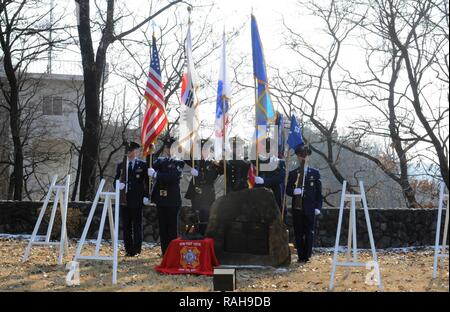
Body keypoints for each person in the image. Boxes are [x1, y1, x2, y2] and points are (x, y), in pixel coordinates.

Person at [286, 142, 323, 263]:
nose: (303, 157)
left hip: (310, 208)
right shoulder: (293, 174)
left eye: (305, 155)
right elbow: (287, 190)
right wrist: (294, 191)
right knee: (298, 232)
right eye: (301, 155)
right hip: (297, 208)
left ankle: (307, 255)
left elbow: (319, 192)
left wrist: (318, 207)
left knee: (309, 232)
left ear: (309, 157)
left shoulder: (314, 173)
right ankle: (301, 256)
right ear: (298, 157)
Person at [149, 137, 185, 255]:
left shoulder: (179, 162)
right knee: (163, 228)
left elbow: (172, 177)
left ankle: (173, 253)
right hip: (161, 199)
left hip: (172, 200)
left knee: (172, 229)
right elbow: (150, 166)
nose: (169, 150)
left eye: (171, 147)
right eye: (167, 147)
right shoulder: (161, 161)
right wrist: (150, 153)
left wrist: (156, 175)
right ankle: (165, 252)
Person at [115, 141, 150, 257]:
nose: (129, 153)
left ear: (136, 151)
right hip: (125, 200)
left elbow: (146, 182)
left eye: (132, 151)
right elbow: (115, 180)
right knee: (126, 226)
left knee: (137, 226)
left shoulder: (142, 165)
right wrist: (117, 185)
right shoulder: (121, 165)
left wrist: (146, 195)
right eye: (128, 151)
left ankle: (137, 250)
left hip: (137, 199)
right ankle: (128, 249)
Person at [185, 139, 223, 236]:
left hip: (207, 195)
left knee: (205, 216)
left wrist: (199, 174)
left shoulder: (214, 163)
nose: (203, 152)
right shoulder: (196, 161)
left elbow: (211, 177)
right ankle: (195, 235)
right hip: (196, 193)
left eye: (205, 150)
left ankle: (204, 236)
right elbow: (184, 156)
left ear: (209, 150)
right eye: (201, 150)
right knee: (194, 215)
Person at [252, 137, 286, 213]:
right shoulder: (257, 161)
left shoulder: (279, 163)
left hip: (274, 194)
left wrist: (264, 181)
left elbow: (280, 178)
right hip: (259, 194)